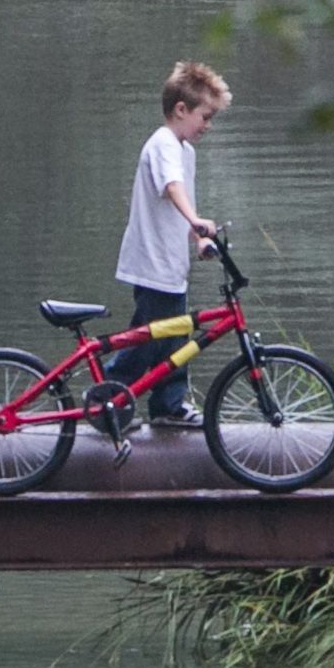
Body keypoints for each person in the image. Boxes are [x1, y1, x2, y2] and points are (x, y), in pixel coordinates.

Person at [107, 60, 229, 428]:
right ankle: (113, 400)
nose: (207, 125)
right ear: (181, 109)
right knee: (150, 339)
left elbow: (182, 201)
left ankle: (166, 405)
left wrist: (198, 239)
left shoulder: (184, 151)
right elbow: (172, 187)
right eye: (205, 117)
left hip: (171, 264)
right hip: (152, 262)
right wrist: (195, 220)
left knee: (175, 335)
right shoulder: (163, 145)